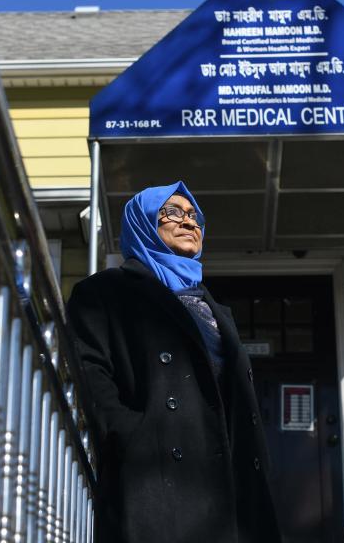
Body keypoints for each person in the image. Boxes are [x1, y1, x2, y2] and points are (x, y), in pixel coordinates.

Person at [68, 181, 281, 543]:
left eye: (194, 215)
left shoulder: (215, 310)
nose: (189, 222)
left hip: (231, 484)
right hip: (157, 481)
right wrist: (132, 438)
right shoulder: (103, 292)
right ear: (143, 222)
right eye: (173, 212)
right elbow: (89, 375)